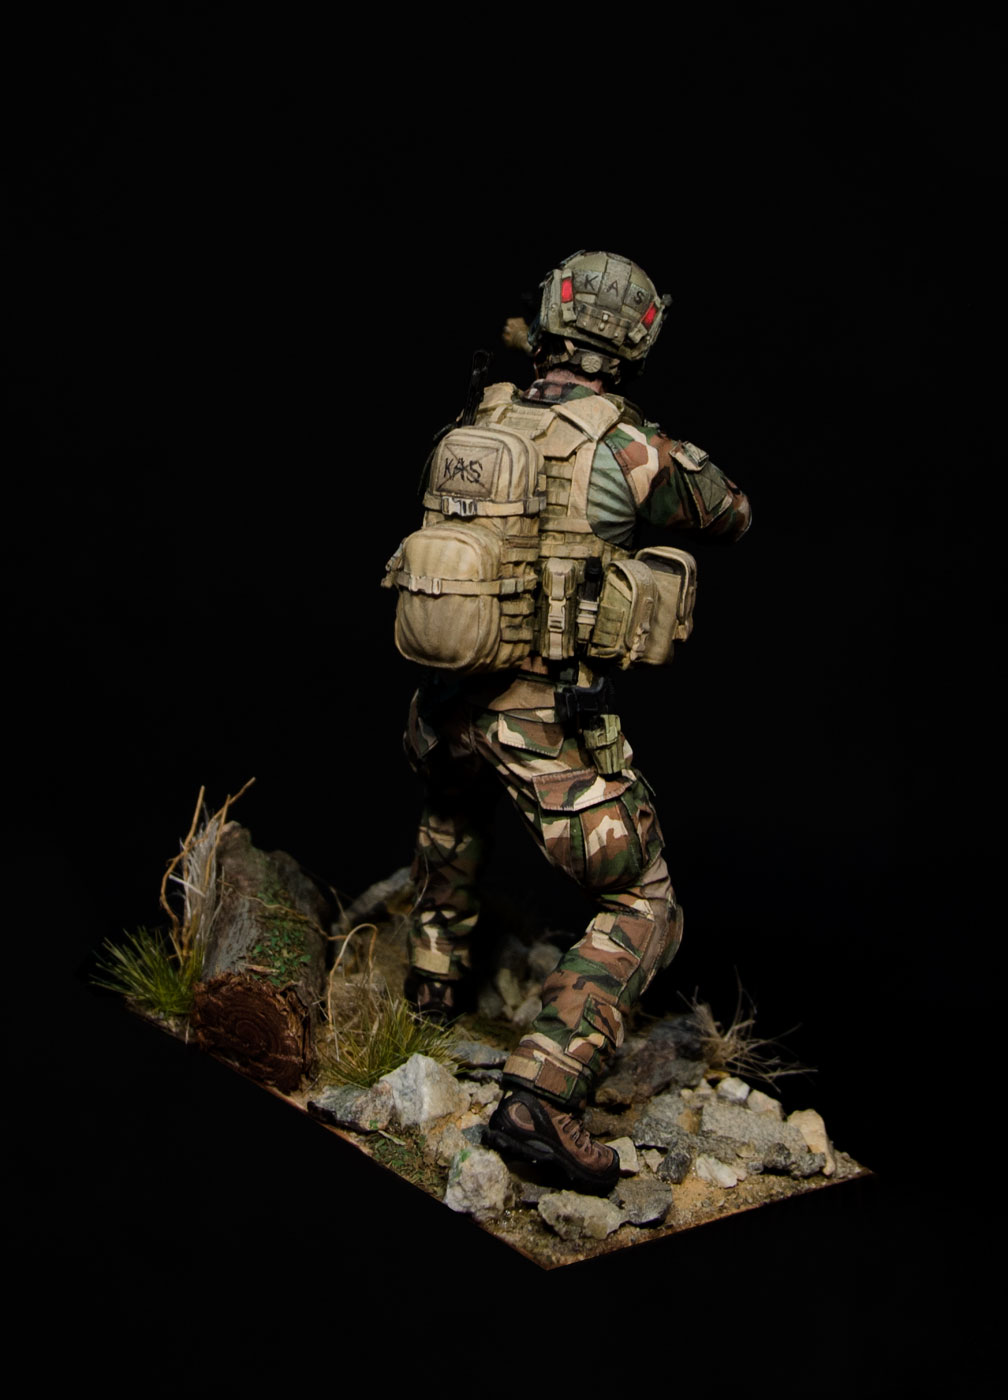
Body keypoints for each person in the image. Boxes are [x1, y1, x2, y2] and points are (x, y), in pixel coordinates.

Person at [390, 250, 751, 1194]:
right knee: (644, 901)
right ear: (636, 340)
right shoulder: (629, 446)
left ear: (548, 318)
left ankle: (431, 979)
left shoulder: (481, 415)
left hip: (442, 706)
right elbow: (729, 511)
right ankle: (541, 1096)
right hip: (541, 726)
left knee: (453, 809)